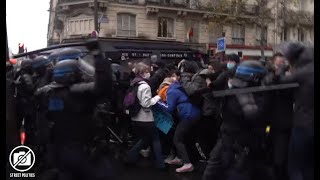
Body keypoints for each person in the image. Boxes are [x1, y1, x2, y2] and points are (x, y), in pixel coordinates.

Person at [35, 41, 114, 180]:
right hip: (82, 152)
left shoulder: (48, 93)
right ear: (72, 75)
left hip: (59, 151)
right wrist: (97, 55)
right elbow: (103, 85)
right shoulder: (77, 93)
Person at [203, 60, 272, 180]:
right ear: (254, 79)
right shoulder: (247, 98)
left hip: (227, 141)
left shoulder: (232, 92)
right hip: (240, 148)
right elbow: (257, 119)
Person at [277, 42, 314, 180]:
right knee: (310, 165)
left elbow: (282, 83)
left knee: (296, 165)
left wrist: (281, 69)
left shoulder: (303, 72)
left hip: (303, 125)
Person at [157, 70, 201, 173]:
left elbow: (169, 108)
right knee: (184, 138)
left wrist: (157, 102)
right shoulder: (178, 87)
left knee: (177, 139)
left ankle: (187, 164)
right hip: (193, 113)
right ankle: (180, 158)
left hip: (188, 115)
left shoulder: (171, 91)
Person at [126, 62, 166, 170]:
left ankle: (130, 157)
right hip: (146, 118)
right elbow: (146, 104)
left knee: (145, 139)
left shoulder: (134, 83)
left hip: (135, 117)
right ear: (142, 73)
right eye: (147, 71)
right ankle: (160, 164)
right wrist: (158, 97)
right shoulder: (145, 86)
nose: (149, 73)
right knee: (155, 139)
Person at [268, 53, 294, 180]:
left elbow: (289, 93)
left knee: (280, 160)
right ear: (273, 64)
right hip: (269, 125)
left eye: (282, 64)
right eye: (278, 64)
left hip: (283, 126)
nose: (280, 67)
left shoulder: (290, 80)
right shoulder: (269, 78)